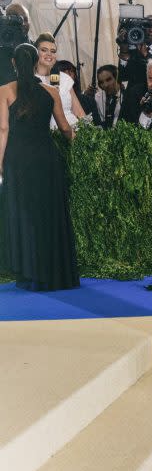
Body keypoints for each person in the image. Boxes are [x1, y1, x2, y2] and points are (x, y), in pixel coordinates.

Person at [0, 43, 79, 290]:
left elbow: (3, 129)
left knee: (22, 213)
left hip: (18, 159)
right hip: (46, 157)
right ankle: (51, 269)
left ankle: (26, 271)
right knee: (47, 212)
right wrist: (84, 146)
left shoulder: (5, 91)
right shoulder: (51, 92)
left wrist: (0, 162)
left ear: (14, 63)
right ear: (36, 62)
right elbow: (65, 128)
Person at [33, 33, 88, 130]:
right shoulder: (30, 78)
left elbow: (79, 112)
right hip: (47, 134)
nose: (49, 54)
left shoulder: (64, 78)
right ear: (36, 52)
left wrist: (90, 133)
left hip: (74, 130)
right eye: (44, 50)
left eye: (53, 51)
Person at [91, 65, 124, 129]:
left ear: (117, 78)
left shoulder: (127, 96)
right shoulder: (97, 97)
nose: (105, 85)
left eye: (108, 79)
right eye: (101, 82)